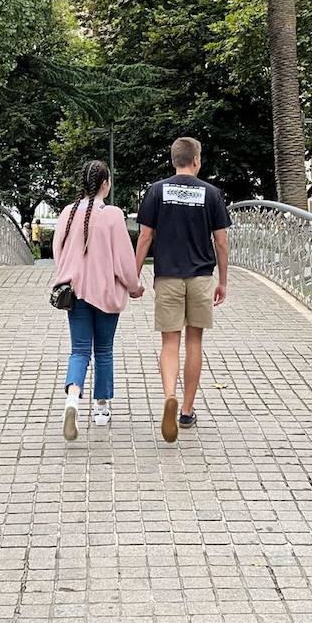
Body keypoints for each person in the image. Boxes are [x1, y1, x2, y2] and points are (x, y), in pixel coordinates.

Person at [134, 137, 231, 442]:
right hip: (201, 277)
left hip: (168, 277)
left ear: (173, 160)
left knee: (169, 343)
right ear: (197, 160)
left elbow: (145, 237)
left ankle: (168, 397)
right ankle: (187, 411)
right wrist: (223, 281)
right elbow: (222, 243)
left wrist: (133, 276)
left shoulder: (157, 190)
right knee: (194, 343)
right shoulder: (212, 194)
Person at [52, 160, 144, 441]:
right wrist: (134, 286)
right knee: (103, 351)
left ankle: (72, 398)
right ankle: (101, 408)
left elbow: (58, 251)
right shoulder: (113, 215)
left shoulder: (67, 212)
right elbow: (123, 259)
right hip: (105, 293)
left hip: (75, 292)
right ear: (105, 184)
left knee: (79, 350)